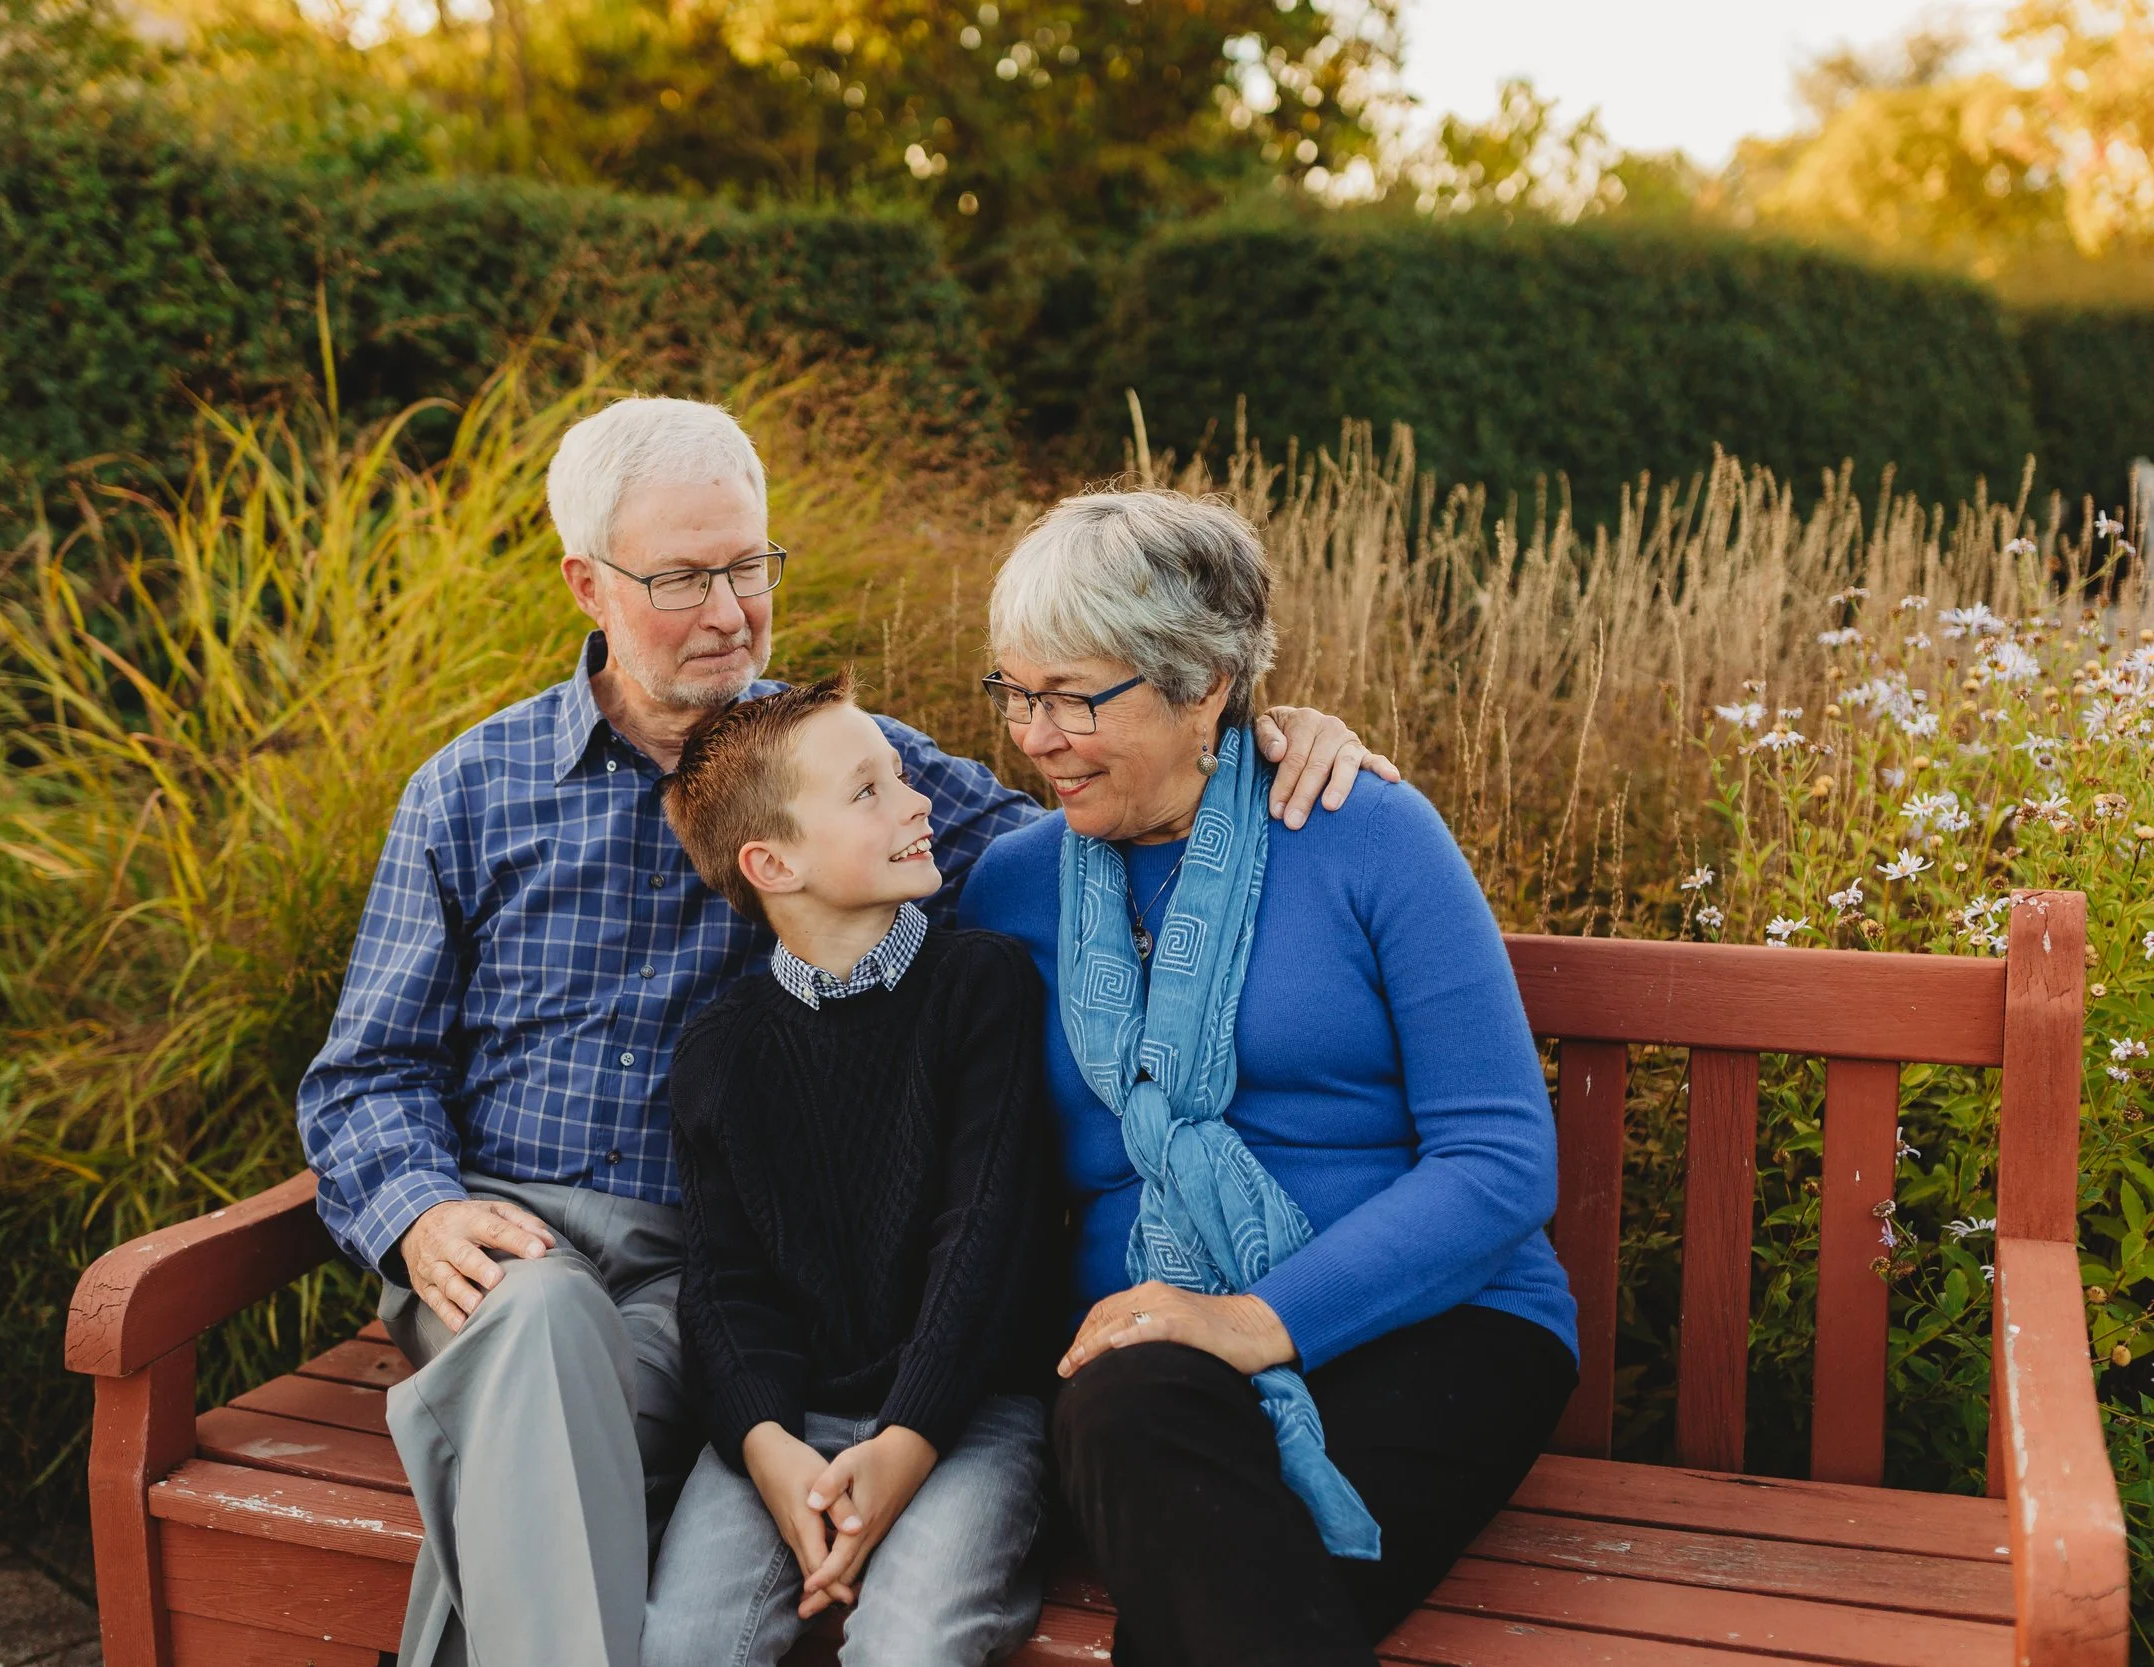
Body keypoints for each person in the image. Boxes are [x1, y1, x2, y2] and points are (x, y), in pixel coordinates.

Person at [293, 396, 1397, 1667]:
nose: (727, 608)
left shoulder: (850, 768)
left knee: (546, 1427)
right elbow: (364, 1074)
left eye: (748, 564)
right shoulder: (472, 790)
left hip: (700, 1290)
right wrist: (421, 1212)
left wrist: (1263, 735)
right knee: (537, 1327)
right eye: (680, 576)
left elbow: (1104, 822)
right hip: (502, 1252)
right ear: (586, 583)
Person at [960, 489, 1579, 1667]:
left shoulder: (1366, 829)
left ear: (1203, 685)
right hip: (1144, 1379)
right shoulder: (1008, 882)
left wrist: (1254, 1321)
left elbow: (1498, 1162)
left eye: (1074, 696)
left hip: (1440, 1327)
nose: (1034, 735)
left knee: (1196, 1614)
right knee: (1124, 1401)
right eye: (1015, 692)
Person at [643, 673, 1056, 1667]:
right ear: (771, 861)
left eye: (900, 775)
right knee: (686, 1643)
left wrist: (907, 1436)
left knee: (908, 1640)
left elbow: (984, 1240)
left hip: (970, 1409)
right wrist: (764, 1446)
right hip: (788, 1419)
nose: (917, 801)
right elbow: (723, 1288)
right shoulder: (721, 1051)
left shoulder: (979, 986)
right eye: (867, 790)